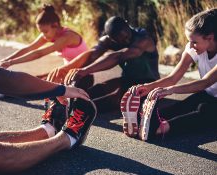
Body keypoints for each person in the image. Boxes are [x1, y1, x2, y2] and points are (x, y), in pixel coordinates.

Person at [0, 0, 97, 174]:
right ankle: (67, 139)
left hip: (78, 73)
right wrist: (59, 89)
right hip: (64, 78)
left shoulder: (67, 35)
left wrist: (54, 87)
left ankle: (47, 130)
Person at [127, 8, 217, 140]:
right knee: (181, 107)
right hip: (209, 95)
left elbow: (206, 82)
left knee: (204, 111)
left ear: (210, 38)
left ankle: (163, 128)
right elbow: (173, 77)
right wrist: (148, 87)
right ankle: (143, 122)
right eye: (189, 41)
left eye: (194, 42)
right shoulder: (194, 48)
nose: (190, 46)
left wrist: (171, 90)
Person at [47, 16, 160, 113]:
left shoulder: (143, 39)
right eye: (120, 40)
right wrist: (68, 69)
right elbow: (92, 55)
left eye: (127, 36)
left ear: (127, 24)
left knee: (118, 97)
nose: (126, 41)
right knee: (101, 88)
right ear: (111, 38)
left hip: (150, 83)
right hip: (128, 79)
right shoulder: (108, 40)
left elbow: (117, 56)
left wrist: (85, 70)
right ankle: (64, 102)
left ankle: (79, 110)